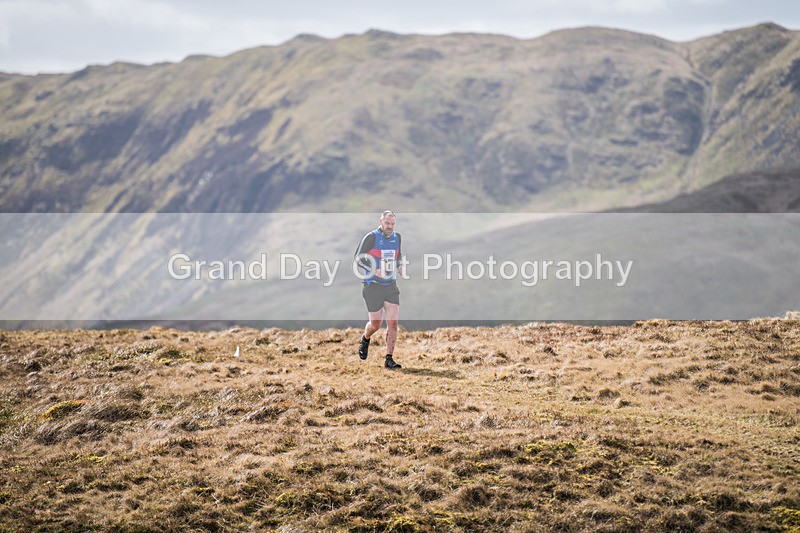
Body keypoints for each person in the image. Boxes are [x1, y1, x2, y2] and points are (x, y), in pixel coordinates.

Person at [353, 210, 405, 369]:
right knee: (376, 324)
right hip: (373, 286)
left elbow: (398, 255)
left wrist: (400, 266)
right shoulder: (371, 237)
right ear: (381, 222)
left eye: (392, 224)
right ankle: (365, 338)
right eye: (387, 223)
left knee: (393, 323)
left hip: (390, 285)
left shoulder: (397, 237)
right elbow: (358, 259)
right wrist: (374, 270)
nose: (390, 226)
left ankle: (389, 359)